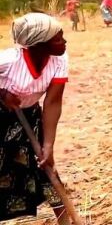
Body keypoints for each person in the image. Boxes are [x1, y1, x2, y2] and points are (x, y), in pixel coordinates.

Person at [0, 13, 71, 223]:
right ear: (38, 44)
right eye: (58, 38)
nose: (64, 41)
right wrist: (2, 93)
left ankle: (66, 219)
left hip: (30, 117)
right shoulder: (9, 60)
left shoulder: (59, 60)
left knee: (45, 165)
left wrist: (48, 144)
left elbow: (53, 102)